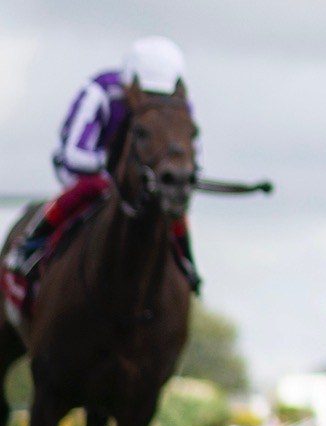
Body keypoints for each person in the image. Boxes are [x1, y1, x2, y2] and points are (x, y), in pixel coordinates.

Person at [4, 38, 198, 286]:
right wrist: (115, 174)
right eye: (144, 93)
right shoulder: (100, 91)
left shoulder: (178, 108)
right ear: (130, 82)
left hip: (142, 178)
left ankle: (186, 261)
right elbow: (74, 152)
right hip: (87, 171)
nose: (150, 101)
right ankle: (31, 244)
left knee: (170, 202)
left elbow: (190, 153)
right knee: (92, 187)